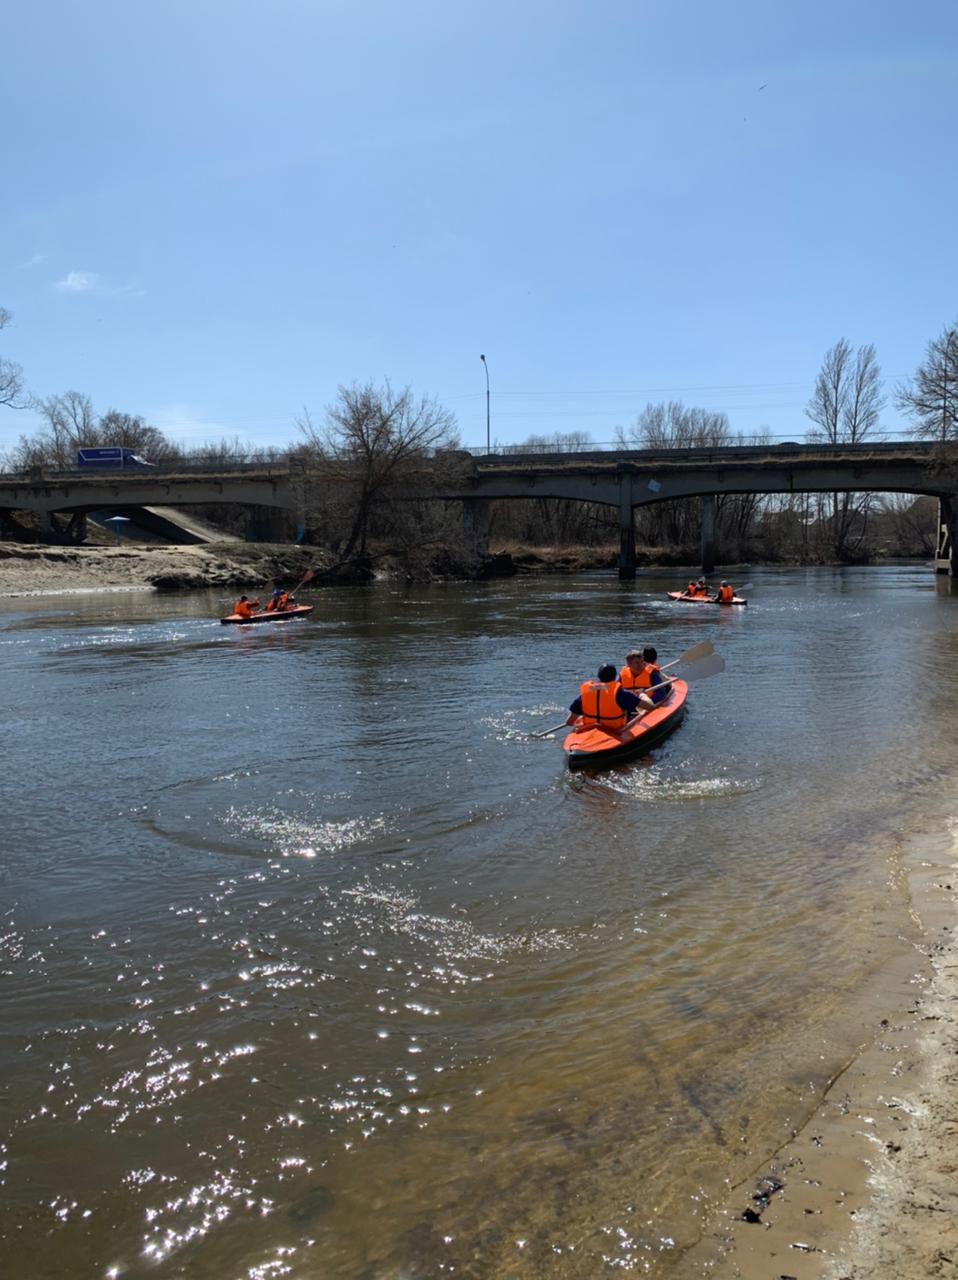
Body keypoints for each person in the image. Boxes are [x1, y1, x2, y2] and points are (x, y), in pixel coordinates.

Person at [566, 663, 653, 731]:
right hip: (615, 730)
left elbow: (569, 722)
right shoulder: (622, 693)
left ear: (599, 677)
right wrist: (642, 695)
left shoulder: (585, 693)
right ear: (615, 677)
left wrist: (582, 726)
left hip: (590, 729)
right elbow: (650, 707)